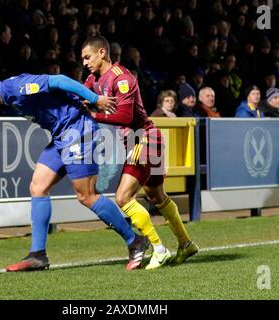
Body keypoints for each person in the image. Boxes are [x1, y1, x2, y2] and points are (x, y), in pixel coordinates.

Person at [0, 72, 149, 272]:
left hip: (78, 130)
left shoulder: (15, 88)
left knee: (86, 195)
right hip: (62, 136)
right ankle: (38, 255)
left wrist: (96, 99)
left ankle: (135, 240)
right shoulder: (9, 95)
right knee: (38, 187)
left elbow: (59, 80)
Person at [81, 36, 199, 270]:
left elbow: (125, 117)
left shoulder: (122, 78)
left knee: (123, 198)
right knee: (157, 196)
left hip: (143, 140)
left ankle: (158, 248)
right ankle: (186, 243)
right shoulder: (94, 79)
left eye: (87, 57)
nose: (84, 62)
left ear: (102, 53)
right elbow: (79, 94)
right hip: (139, 141)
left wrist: (94, 114)